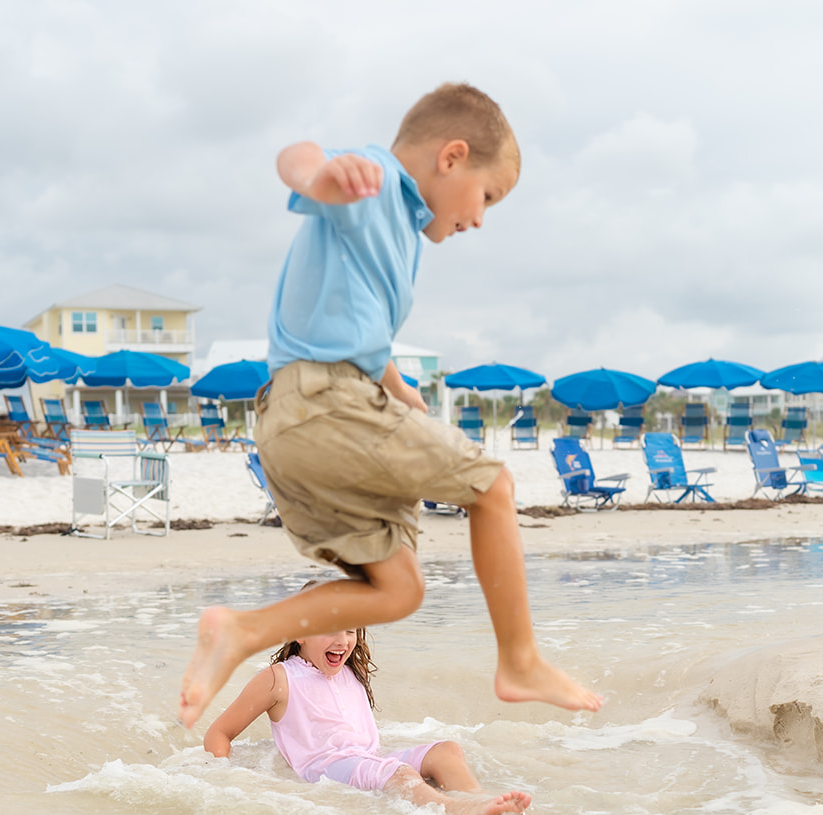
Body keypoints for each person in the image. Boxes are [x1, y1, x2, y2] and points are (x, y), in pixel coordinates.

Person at [180, 82, 601, 726]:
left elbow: (358, 334)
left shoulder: (398, 235)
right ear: (452, 157)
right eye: (487, 197)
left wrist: (401, 391)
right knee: (492, 486)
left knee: (399, 590)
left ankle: (241, 631)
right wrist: (318, 173)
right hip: (322, 405)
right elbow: (296, 154)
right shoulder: (374, 184)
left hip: (294, 424)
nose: (480, 219)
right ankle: (520, 661)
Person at [202, 620, 533, 815]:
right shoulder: (279, 678)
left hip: (367, 757)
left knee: (446, 751)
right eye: (330, 630)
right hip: (327, 766)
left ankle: (481, 799)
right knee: (399, 773)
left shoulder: (349, 670)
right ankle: (458, 810)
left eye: (350, 630)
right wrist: (225, 779)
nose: (342, 641)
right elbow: (219, 733)